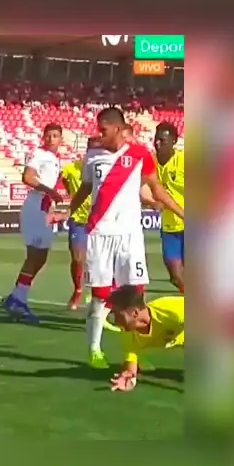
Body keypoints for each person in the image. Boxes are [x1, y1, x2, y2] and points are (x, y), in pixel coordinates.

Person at [66, 107, 185, 369]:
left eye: (103, 129)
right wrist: (67, 211)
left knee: (135, 296)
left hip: (130, 235)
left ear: (118, 128)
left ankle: (133, 357)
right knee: (99, 295)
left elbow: (157, 189)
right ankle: (94, 349)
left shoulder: (140, 154)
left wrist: (183, 213)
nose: (100, 134)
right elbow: (85, 189)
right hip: (99, 233)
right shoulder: (93, 157)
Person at [1, 123, 65, 323]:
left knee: (40, 257)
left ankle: (16, 296)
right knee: (35, 255)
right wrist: (50, 191)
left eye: (55, 136)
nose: (51, 139)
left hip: (44, 208)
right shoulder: (39, 154)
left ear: (61, 139)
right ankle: (19, 300)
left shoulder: (54, 159)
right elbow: (27, 177)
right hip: (36, 207)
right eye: (48, 135)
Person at [105, 285, 184, 391]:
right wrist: (130, 378)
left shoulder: (171, 311)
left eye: (118, 314)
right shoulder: (128, 332)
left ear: (135, 313)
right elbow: (131, 358)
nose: (115, 321)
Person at [58, 136, 102, 310]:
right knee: (77, 258)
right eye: (92, 150)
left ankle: (100, 294)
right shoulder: (71, 169)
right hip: (79, 220)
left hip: (99, 221)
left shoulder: (106, 169)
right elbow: (65, 182)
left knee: (100, 260)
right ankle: (77, 290)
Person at [153, 122, 185, 293]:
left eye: (162, 141)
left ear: (174, 141)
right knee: (175, 275)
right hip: (169, 225)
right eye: (156, 140)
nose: (157, 144)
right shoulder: (150, 162)